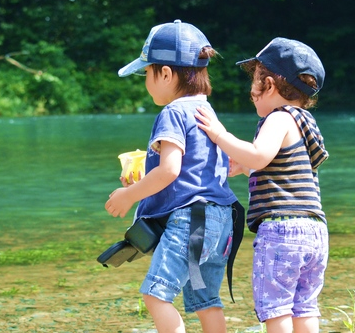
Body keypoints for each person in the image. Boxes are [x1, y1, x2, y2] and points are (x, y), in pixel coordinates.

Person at [105, 19, 238, 333]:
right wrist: (143, 182)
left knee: (156, 295)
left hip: (192, 222)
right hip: (220, 219)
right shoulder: (206, 110)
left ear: (165, 73)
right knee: (206, 300)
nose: (145, 82)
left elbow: (170, 170)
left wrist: (129, 195)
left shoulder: (173, 112)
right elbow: (191, 171)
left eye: (147, 73)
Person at [195, 37, 330, 333]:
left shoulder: (278, 119)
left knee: (277, 307)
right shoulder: (304, 121)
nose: (251, 93)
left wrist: (219, 134)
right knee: (304, 306)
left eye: (254, 83)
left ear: (268, 85)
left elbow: (258, 154)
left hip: (283, 230)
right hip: (315, 231)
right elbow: (278, 167)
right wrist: (243, 166)